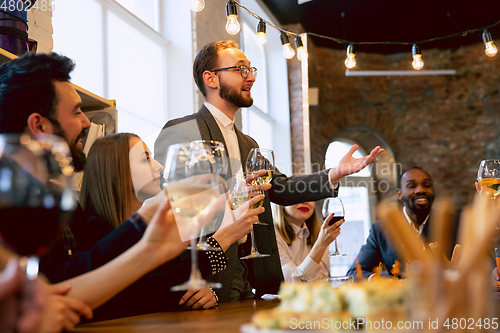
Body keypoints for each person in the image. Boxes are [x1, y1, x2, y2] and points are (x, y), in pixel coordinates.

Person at [154, 40, 384, 302]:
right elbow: (182, 216)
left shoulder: (248, 144)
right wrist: (193, 281)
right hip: (207, 285)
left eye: (251, 69)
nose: (251, 76)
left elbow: (282, 188)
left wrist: (333, 174)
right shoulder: (181, 132)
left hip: (248, 285)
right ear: (211, 79)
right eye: (240, 69)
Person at [0, 52, 219, 325]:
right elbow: (62, 284)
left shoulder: (59, 204)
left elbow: (65, 281)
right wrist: (145, 232)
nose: (86, 123)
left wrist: (148, 238)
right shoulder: (18, 206)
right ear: (39, 125)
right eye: (76, 111)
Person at [75, 132, 264, 316]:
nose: (159, 166)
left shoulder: (145, 229)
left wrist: (203, 294)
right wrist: (223, 239)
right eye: (145, 159)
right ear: (116, 169)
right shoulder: (96, 231)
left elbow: (170, 280)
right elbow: (140, 296)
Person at [346, 167, 454, 279]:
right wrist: (387, 283)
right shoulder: (381, 229)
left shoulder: (452, 223)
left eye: (426, 185)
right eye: (412, 186)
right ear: (399, 193)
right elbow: (354, 273)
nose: (420, 190)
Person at [273, 202, 343, 282]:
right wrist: (320, 246)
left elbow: (322, 279)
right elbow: (292, 282)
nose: (305, 201)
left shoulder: (320, 232)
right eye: (297, 194)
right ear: (280, 202)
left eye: (309, 197)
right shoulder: (271, 235)